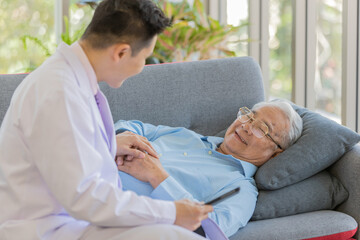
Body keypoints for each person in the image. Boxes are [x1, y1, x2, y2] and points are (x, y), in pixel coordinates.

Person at [0, 1, 213, 240]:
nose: (143, 67)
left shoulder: (71, 82)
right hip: (50, 231)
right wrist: (171, 211)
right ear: (121, 52)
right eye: (145, 57)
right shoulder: (60, 92)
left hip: (73, 224)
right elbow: (84, 196)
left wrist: (107, 147)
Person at [114, 100, 303, 237]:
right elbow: (132, 126)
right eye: (249, 116)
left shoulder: (241, 189)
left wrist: (157, 177)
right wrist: (118, 139)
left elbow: (213, 231)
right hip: (91, 172)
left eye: (261, 128)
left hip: (113, 215)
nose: (246, 126)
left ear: (276, 153)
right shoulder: (187, 136)